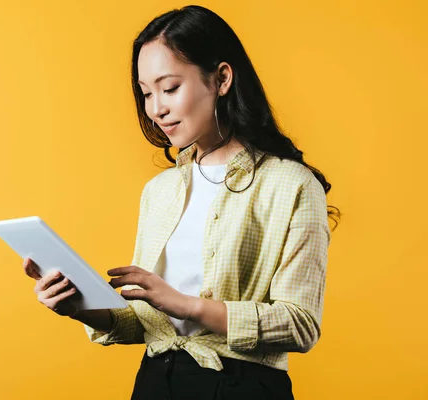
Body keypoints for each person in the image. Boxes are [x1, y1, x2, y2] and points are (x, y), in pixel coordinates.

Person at [22, 5, 339, 400]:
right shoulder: (160, 190)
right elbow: (147, 323)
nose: (156, 109)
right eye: (146, 93)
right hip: (156, 383)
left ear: (221, 79)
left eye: (169, 88)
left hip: (242, 388)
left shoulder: (290, 184)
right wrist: (79, 307)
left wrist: (187, 305)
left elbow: (300, 325)